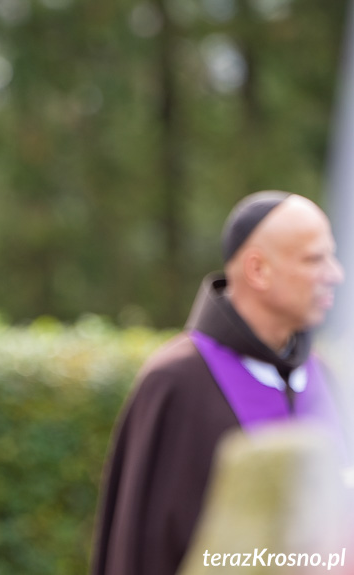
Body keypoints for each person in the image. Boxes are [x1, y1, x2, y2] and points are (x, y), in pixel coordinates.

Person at [90, 191, 346, 575]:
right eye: (314, 259)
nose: (336, 275)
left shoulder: (323, 377)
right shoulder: (176, 383)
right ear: (259, 270)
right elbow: (138, 550)